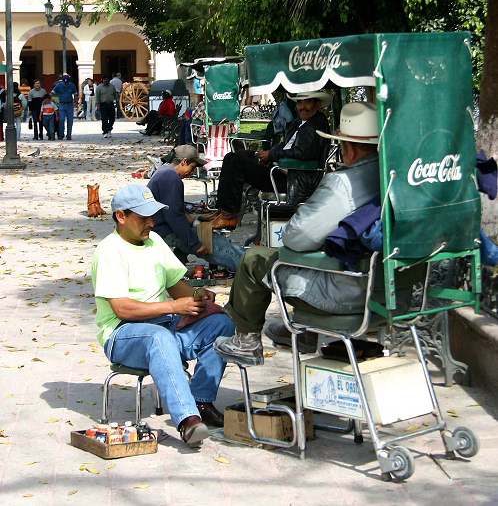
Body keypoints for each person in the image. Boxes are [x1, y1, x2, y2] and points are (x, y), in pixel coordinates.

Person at [214, 102, 381, 366]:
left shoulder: (344, 183)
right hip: (388, 289)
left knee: (255, 258)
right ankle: (304, 330)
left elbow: (296, 236)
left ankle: (246, 341)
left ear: (347, 146)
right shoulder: (391, 176)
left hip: (348, 291)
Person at [91, 184, 235, 445]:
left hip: (164, 325)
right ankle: (188, 419)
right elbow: (122, 308)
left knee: (220, 323)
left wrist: (197, 296)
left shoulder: (154, 240)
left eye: (152, 216)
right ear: (121, 217)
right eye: (143, 217)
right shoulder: (109, 252)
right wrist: (173, 307)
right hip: (122, 334)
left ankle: (201, 401)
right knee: (159, 337)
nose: (151, 222)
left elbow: (175, 285)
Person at [200, 91, 331, 229]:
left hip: (293, 178)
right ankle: (222, 210)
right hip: (279, 169)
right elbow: (286, 145)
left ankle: (229, 215)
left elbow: (303, 153)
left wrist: (272, 155)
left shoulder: (316, 124)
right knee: (232, 157)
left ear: (318, 104)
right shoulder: (299, 122)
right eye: (299, 102)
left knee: (237, 164)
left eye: (307, 102)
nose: (302, 106)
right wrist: (265, 155)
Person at [148, 145, 244, 273]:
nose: (192, 172)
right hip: (163, 230)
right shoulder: (170, 177)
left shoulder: (165, 172)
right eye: (192, 167)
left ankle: (176, 270)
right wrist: (195, 244)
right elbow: (174, 217)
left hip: (161, 226)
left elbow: (178, 210)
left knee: (202, 233)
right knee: (213, 242)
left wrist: (195, 223)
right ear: (184, 161)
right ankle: (246, 267)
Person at [51, 72, 78, 140]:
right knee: (61, 119)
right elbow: (52, 93)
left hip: (70, 104)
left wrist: (76, 103)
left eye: (67, 82)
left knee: (70, 120)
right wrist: (48, 100)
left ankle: (69, 135)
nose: (66, 84)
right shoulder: (59, 85)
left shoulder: (72, 85)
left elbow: (75, 94)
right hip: (62, 104)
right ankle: (61, 134)